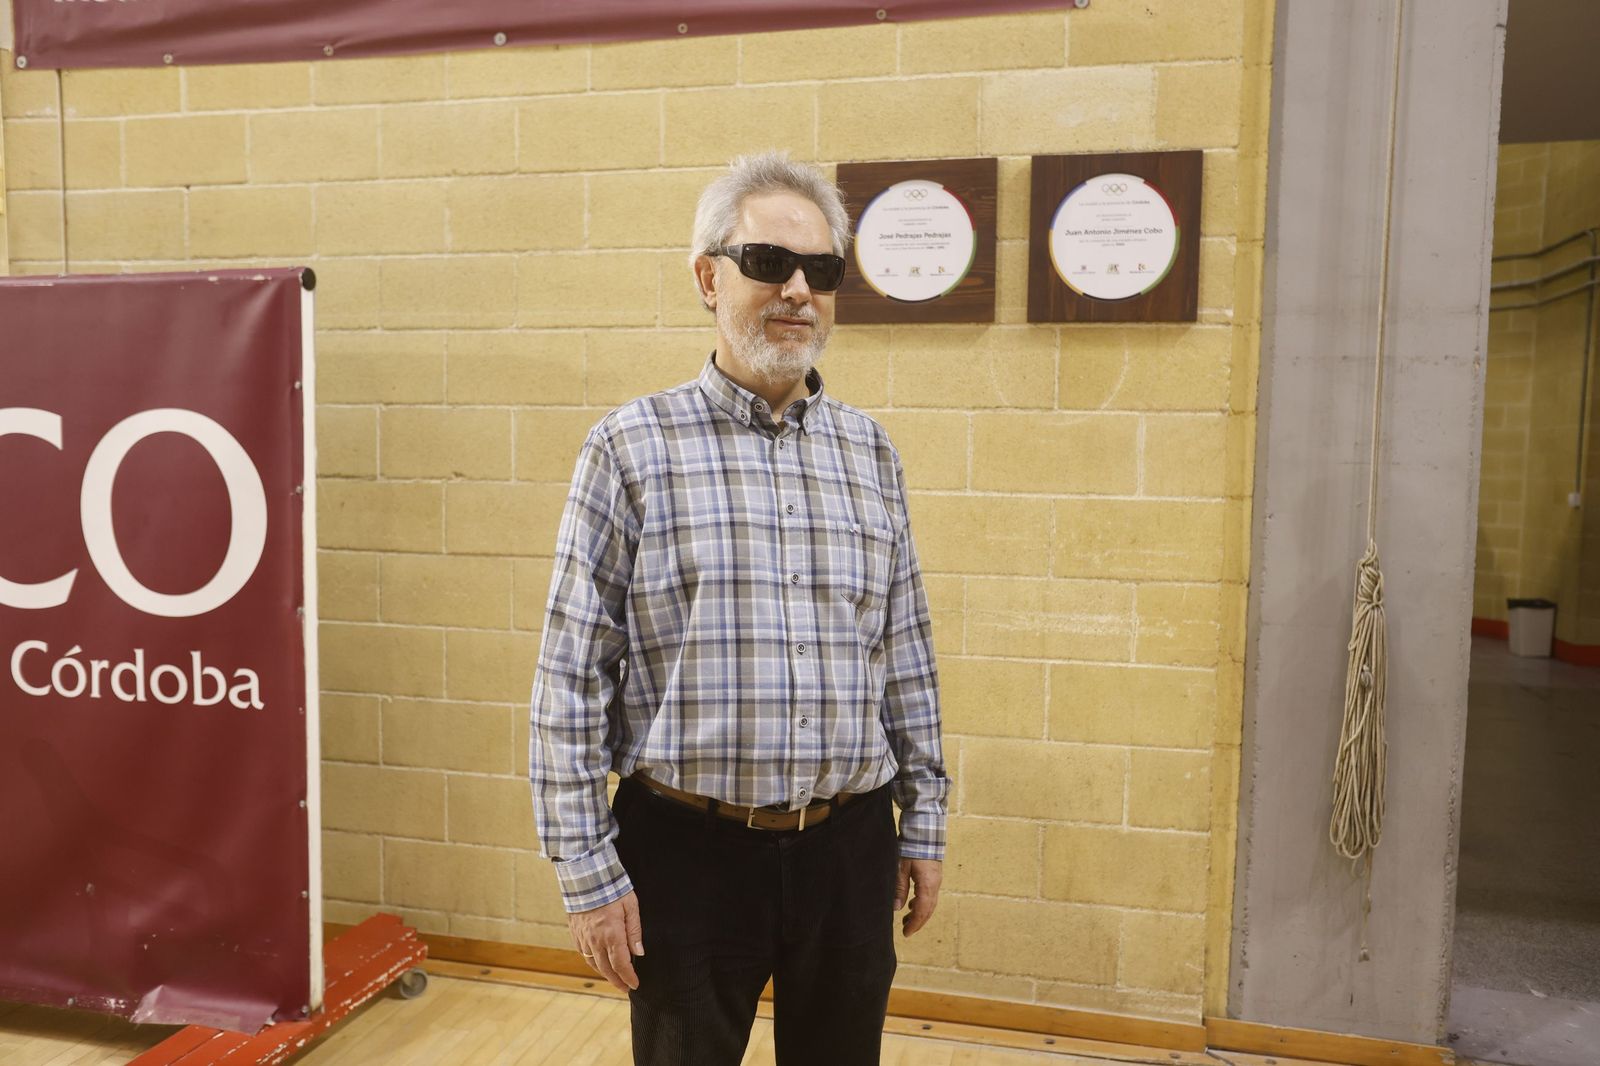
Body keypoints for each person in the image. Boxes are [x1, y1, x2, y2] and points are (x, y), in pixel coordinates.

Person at [528, 150, 949, 1066]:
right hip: (688, 857)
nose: (799, 290)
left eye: (822, 271)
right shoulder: (629, 449)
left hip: (850, 852)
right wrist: (587, 874)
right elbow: (568, 679)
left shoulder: (870, 454)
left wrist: (925, 821)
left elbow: (904, 656)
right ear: (708, 276)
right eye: (770, 263)